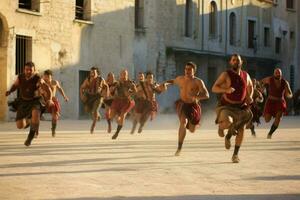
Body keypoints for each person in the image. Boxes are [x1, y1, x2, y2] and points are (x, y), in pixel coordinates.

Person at [212, 54, 253, 163]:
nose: (236, 62)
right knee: (228, 122)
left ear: (241, 62)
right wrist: (226, 90)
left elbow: (250, 86)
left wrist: (250, 96)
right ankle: (221, 127)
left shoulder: (246, 75)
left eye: (238, 60)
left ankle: (235, 154)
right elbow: (214, 88)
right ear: (231, 62)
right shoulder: (226, 74)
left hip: (241, 107)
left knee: (242, 128)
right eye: (234, 60)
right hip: (227, 106)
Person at [165, 62, 209, 156]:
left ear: (194, 71)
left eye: (189, 69)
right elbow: (172, 81)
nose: (187, 71)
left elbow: (206, 95)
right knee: (183, 122)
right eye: (186, 69)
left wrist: (196, 96)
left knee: (192, 130)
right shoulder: (180, 79)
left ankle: (194, 125)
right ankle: (179, 147)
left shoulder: (198, 81)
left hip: (193, 106)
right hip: (183, 104)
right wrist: (164, 84)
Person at [5, 61, 53, 146]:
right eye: (27, 70)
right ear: (24, 70)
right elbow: (15, 85)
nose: (28, 71)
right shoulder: (20, 77)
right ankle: (28, 121)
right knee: (20, 126)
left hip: (34, 101)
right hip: (23, 101)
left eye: (30, 70)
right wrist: (10, 91)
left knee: (35, 115)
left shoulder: (38, 78)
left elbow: (48, 88)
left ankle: (30, 138)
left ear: (34, 70)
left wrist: (49, 99)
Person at [261, 68, 293, 139]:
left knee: (278, 118)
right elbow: (261, 82)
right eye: (276, 73)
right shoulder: (269, 79)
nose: (278, 74)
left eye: (279, 73)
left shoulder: (285, 82)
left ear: (281, 74)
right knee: (267, 120)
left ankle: (270, 133)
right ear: (274, 74)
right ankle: (272, 115)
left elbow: (290, 93)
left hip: (280, 102)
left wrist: (289, 95)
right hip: (270, 101)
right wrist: (262, 88)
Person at [108, 69, 137, 139]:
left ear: (127, 75)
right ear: (120, 75)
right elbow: (111, 92)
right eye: (122, 74)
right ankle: (120, 116)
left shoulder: (130, 83)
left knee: (122, 116)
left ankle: (117, 133)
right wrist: (112, 90)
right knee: (111, 115)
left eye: (125, 74)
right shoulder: (117, 83)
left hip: (127, 101)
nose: (124, 76)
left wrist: (129, 93)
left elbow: (135, 92)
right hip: (117, 100)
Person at [80, 67, 108, 134]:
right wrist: (81, 95)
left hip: (98, 97)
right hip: (90, 97)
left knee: (94, 111)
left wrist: (106, 94)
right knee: (87, 109)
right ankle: (97, 115)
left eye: (94, 72)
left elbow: (106, 86)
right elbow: (82, 87)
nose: (92, 74)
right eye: (91, 72)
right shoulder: (88, 79)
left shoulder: (101, 79)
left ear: (97, 73)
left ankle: (93, 126)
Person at [42, 69, 69, 137]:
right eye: (45, 76)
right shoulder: (42, 83)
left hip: (53, 100)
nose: (47, 78)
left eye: (48, 77)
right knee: (37, 114)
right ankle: (35, 132)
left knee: (55, 117)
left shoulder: (55, 82)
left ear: (51, 76)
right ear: (44, 76)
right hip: (44, 101)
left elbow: (60, 89)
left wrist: (65, 96)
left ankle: (53, 130)